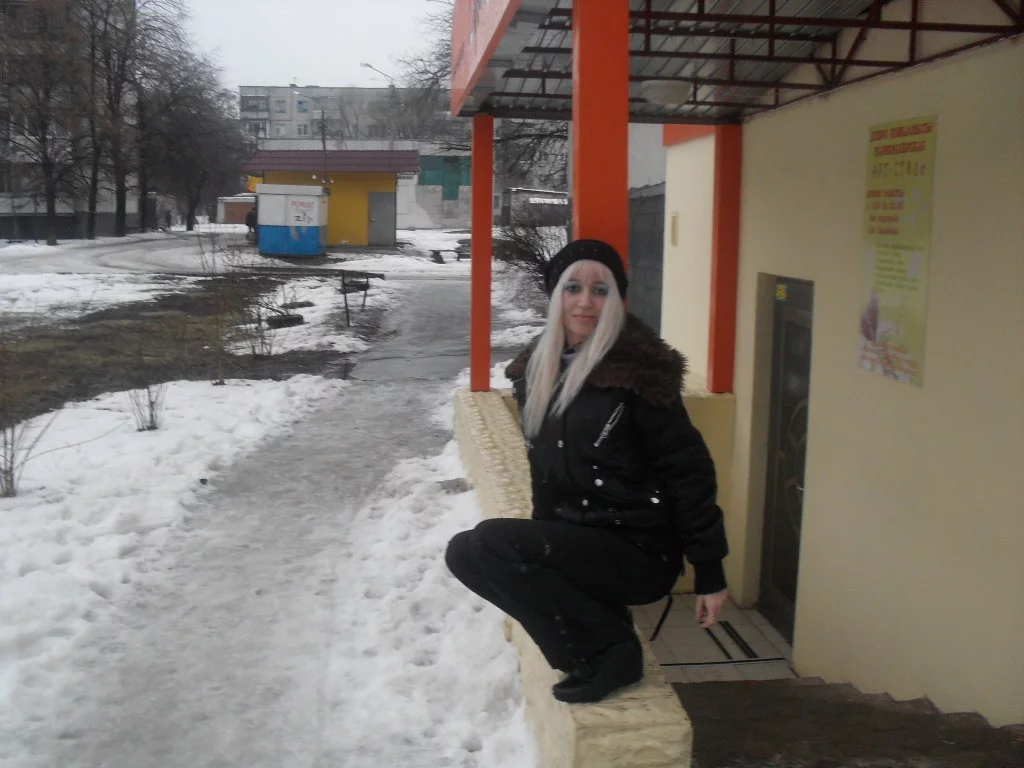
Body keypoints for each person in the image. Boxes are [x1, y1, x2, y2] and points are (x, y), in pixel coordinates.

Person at [445, 239, 729, 704]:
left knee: (491, 542)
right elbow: (546, 473)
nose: (585, 302)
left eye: (601, 290)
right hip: (582, 541)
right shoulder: (538, 371)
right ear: (556, 294)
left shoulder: (641, 373)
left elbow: (689, 472)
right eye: (573, 287)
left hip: (640, 550)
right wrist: (543, 542)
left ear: (616, 300)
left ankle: (612, 652)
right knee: (464, 552)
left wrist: (710, 571)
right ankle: (589, 650)